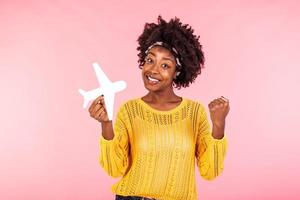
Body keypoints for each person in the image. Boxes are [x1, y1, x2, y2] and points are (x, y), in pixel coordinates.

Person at [89, 15, 230, 200]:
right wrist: (106, 124)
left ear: (177, 72)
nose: (153, 70)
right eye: (150, 60)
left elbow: (210, 171)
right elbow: (114, 169)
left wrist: (218, 125)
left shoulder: (194, 112)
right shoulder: (130, 110)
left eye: (165, 65)